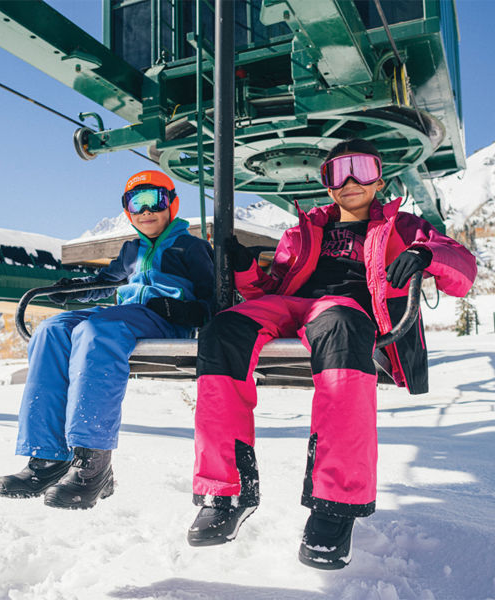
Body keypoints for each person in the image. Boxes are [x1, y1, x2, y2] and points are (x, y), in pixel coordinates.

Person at [187, 139, 477, 569]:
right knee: (222, 330)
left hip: (345, 311)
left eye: (361, 168)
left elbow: (462, 269)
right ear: (328, 184)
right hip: (293, 306)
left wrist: (423, 253)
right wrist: (247, 270)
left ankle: (334, 503)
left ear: (379, 177)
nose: (352, 182)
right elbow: (272, 290)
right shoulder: (303, 231)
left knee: (340, 323)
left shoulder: (402, 225)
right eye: (339, 173)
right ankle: (224, 491)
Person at [0, 170, 214, 510]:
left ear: (171, 203)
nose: (145, 211)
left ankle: (92, 462)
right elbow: (103, 283)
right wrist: (71, 289)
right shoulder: (131, 250)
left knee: (94, 332)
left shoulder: (191, 247)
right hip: (126, 317)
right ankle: (48, 458)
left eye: (154, 200)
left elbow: (214, 302)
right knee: (51, 331)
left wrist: (181, 309)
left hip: (164, 320)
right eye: (135, 203)